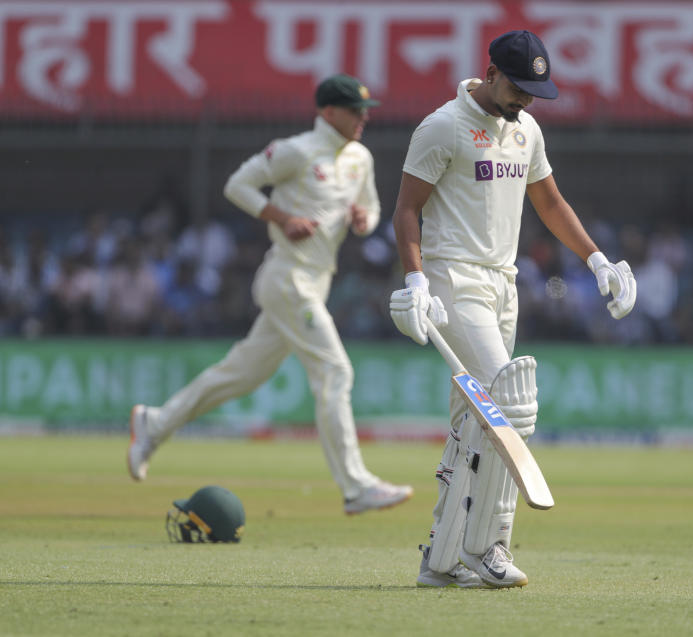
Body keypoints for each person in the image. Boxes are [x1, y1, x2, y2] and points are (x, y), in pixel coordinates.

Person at [389, 31, 636, 588]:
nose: (525, 100)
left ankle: (442, 555)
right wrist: (417, 279)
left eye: (534, 91)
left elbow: (548, 201)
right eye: (518, 88)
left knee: (469, 424)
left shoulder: (527, 129)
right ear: (491, 71)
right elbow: (407, 209)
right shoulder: (442, 126)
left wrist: (597, 261)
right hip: (455, 281)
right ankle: (489, 545)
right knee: (511, 401)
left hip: (505, 285)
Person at [128, 74, 413, 515]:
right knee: (335, 371)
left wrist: (363, 220)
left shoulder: (360, 158)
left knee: (240, 374)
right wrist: (281, 217)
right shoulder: (296, 150)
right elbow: (237, 184)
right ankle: (356, 486)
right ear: (328, 112)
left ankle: (155, 423)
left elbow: (372, 209)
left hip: (316, 280)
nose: (364, 117)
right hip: (288, 278)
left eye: (366, 110)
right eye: (356, 111)